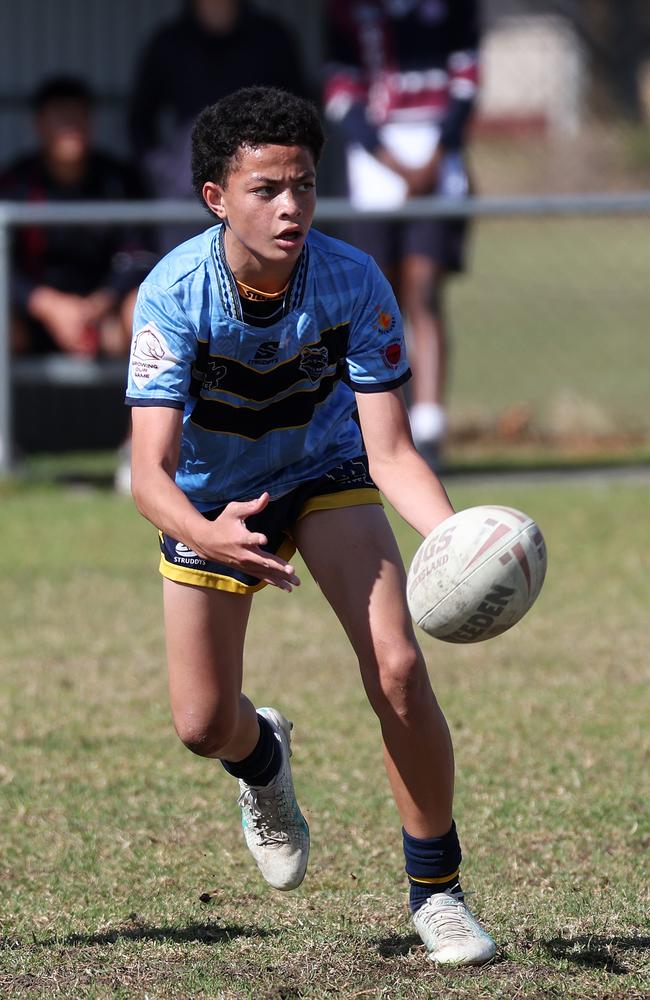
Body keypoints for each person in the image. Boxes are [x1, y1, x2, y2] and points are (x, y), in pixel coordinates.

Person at [126, 85, 496, 967]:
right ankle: (263, 763)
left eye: (303, 185)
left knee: (400, 670)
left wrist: (457, 544)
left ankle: (437, 894)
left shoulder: (351, 278)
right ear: (217, 197)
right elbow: (148, 473)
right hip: (214, 501)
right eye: (266, 189)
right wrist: (206, 533)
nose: (290, 205)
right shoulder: (175, 293)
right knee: (203, 724)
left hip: (324, 472)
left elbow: (393, 452)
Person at [323, 0, 480, 461]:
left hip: (438, 167)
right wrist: (391, 162)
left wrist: (437, 155)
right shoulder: (349, 12)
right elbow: (341, 93)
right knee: (377, 298)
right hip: (375, 170)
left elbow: (467, 80)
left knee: (423, 290)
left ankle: (430, 423)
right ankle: (382, 424)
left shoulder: (451, 11)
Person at [128, 0, 310, 250]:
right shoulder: (169, 43)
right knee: (190, 280)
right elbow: (140, 119)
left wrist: (283, 174)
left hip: (265, 191)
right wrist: (164, 171)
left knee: (266, 282)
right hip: (188, 194)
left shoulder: (271, 38)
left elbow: (299, 114)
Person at [1, 75, 151, 359]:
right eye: (60, 116)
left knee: (142, 310)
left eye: (79, 115)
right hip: (33, 313)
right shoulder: (16, 183)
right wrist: (47, 305)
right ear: (39, 124)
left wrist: (99, 303)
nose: (71, 126)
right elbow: (4, 266)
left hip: (102, 313)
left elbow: (140, 253)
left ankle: (144, 405)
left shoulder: (117, 180)